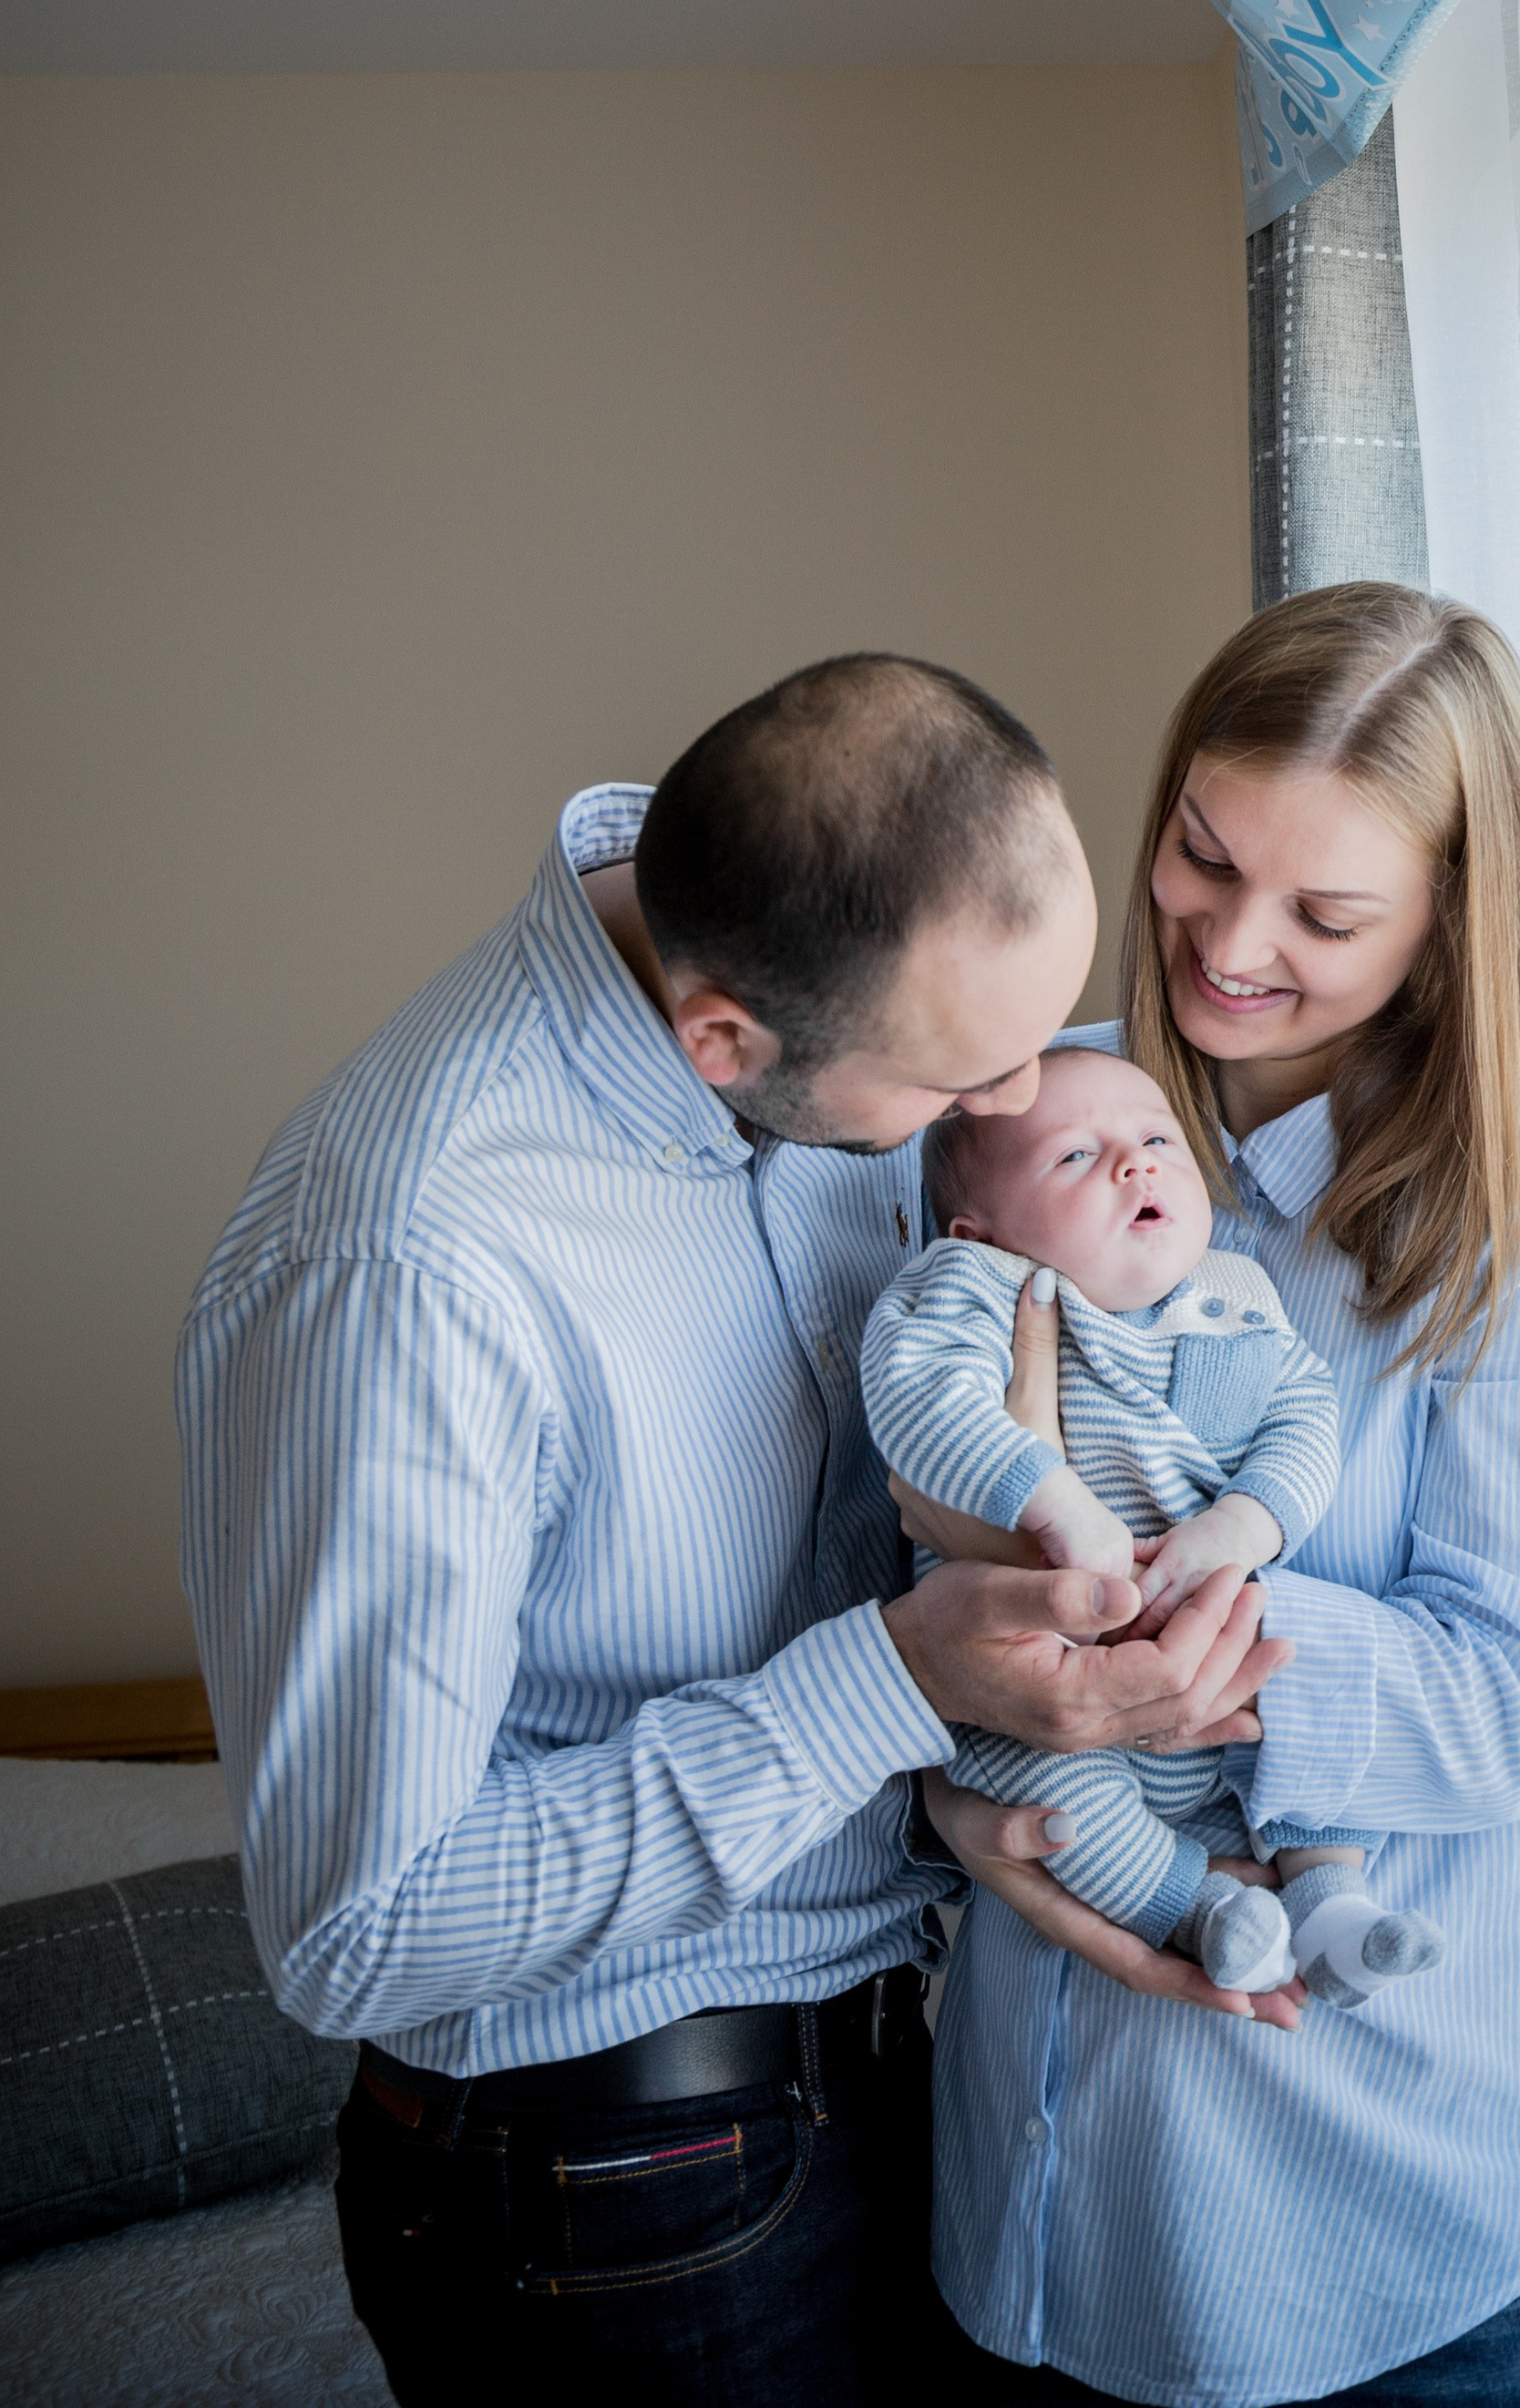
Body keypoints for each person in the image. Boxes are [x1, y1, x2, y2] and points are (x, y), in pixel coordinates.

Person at [177, 654, 1289, 2408]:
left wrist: (949, 1794)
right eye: (956, 1087)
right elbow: (356, 1925)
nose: (1011, 1110)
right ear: (726, 1044)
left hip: (897, 2070)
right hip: (618, 2201)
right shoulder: (405, 1265)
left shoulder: (849, 959)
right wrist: (892, 1689)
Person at [902, 584, 1520, 2408]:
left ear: (1451, 924)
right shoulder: (1029, 1117)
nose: (1225, 944)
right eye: (1201, 858)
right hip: (1027, 2215)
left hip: (1367, 2239)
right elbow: (888, 1573)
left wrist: (1140, 1628)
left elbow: (1519, 1699)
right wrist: (963, 1798)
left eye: (1325, 913)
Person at [864, 1042, 1445, 2003]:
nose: (1135, 1165)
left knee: (1313, 1705)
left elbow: (1304, 1414)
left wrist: (1246, 1527)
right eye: (1075, 1157)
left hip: (1214, 1649)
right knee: (1054, 1802)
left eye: (1154, 1140)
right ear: (983, 1233)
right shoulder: (969, 1289)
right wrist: (1055, 1509)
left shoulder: (1234, 1294)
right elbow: (920, 1404)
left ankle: (1333, 1907)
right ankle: (1200, 1912)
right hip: (1046, 1688)